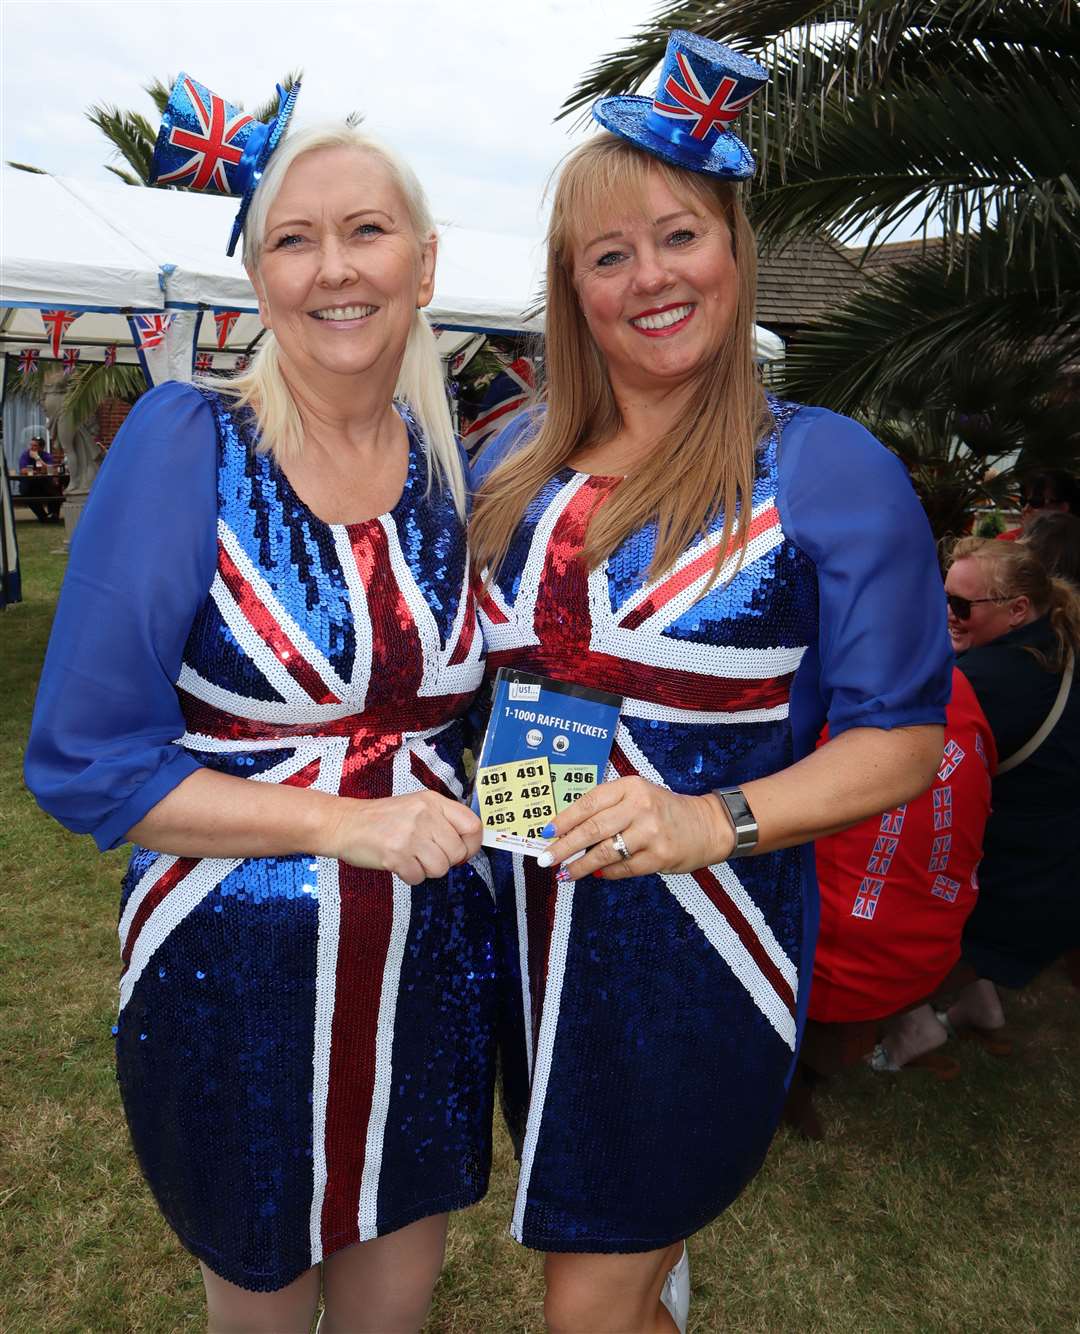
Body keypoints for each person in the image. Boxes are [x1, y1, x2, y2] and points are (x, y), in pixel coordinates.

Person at [469, 32, 950, 1334]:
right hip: (516, 924)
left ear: (735, 249)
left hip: (698, 938)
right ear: (574, 286)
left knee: (589, 1296)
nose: (648, 277)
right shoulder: (510, 455)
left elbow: (903, 739)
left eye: (678, 237)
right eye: (608, 253)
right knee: (609, 1289)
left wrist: (707, 819)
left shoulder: (828, 468)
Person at [26, 74, 494, 1334]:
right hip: (237, 969)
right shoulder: (192, 443)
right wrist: (343, 823)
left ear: (425, 261)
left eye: (366, 231)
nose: (334, 268)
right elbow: (87, 762)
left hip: (429, 963)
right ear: (260, 273)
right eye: (295, 238)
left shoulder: (468, 473)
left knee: (394, 1310)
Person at [786, 666, 995, 1136]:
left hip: (845, 973)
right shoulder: (957, 684)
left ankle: (793, 1095)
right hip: (937, 943)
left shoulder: (817, 692)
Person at [938, 537, 1080, 1046]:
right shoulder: (1059, 645)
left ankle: (901, 1029)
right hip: (1054, 859)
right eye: (943, 598)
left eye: (960, 605)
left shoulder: (985, 679)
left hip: (1022, 873)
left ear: (1017, 610)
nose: (947, 615)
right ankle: (980, 1007)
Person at [996, 468, 1080, 541]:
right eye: (1023, 501)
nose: (1025, 509)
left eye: (1036, 502)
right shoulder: (1007, 541)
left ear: (1063, 507)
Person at [17, 430, 64, 521]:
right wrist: (38, 470)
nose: (31, 447)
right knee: (25, 491)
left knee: (55, 488)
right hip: (31, 484)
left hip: (44, 483)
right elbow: (23, 471)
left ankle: (54, 514)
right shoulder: (26, 455)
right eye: (31, 445)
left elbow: (50, 469)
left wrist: (37, 458)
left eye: (35, 445)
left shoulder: (46, 456)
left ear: (41, 448)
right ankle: (42, 516)